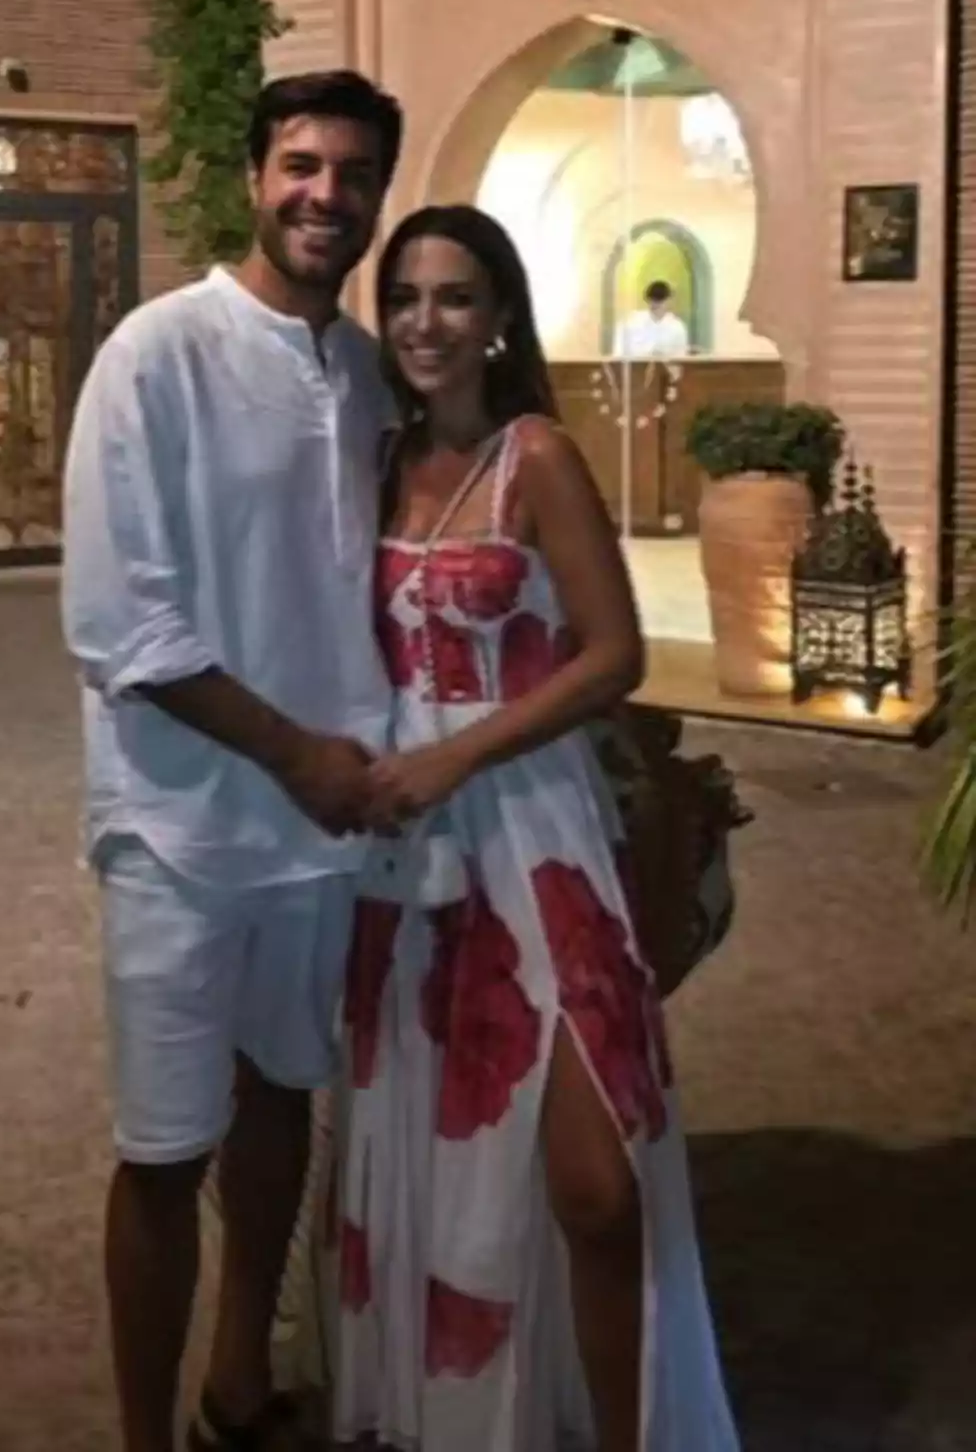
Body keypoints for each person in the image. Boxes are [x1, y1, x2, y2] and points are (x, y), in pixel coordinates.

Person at [326, 205, 740, 1451]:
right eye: (403, 296)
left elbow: (615, 654)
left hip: (538, 838)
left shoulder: (537, 457)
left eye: (455, 296)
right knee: (444, 1169)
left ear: (500, 315)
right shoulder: (381, 458)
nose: (425, 321)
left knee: (596, 1181)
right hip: (407, 858)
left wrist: (459, 749)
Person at [60, 68, 404, 1452]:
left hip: (321, 834)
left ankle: (236, 1382)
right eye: (304, 166)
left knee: (282, 1106)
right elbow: (117, 617)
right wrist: (294, 754)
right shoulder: (159, 350)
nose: (329, 195)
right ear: (257, 176)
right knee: (163, 1149)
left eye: (357, 174)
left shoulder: (368, 368)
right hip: (183, 827)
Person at [612, 277, 690, 361]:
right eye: (652, 300)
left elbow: (681, 358)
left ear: (669, 300)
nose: (655, 305)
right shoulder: (630, 321)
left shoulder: (677, 327)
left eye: (660, 301)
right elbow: (618, 353)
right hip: (635, 370)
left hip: (665, 372)